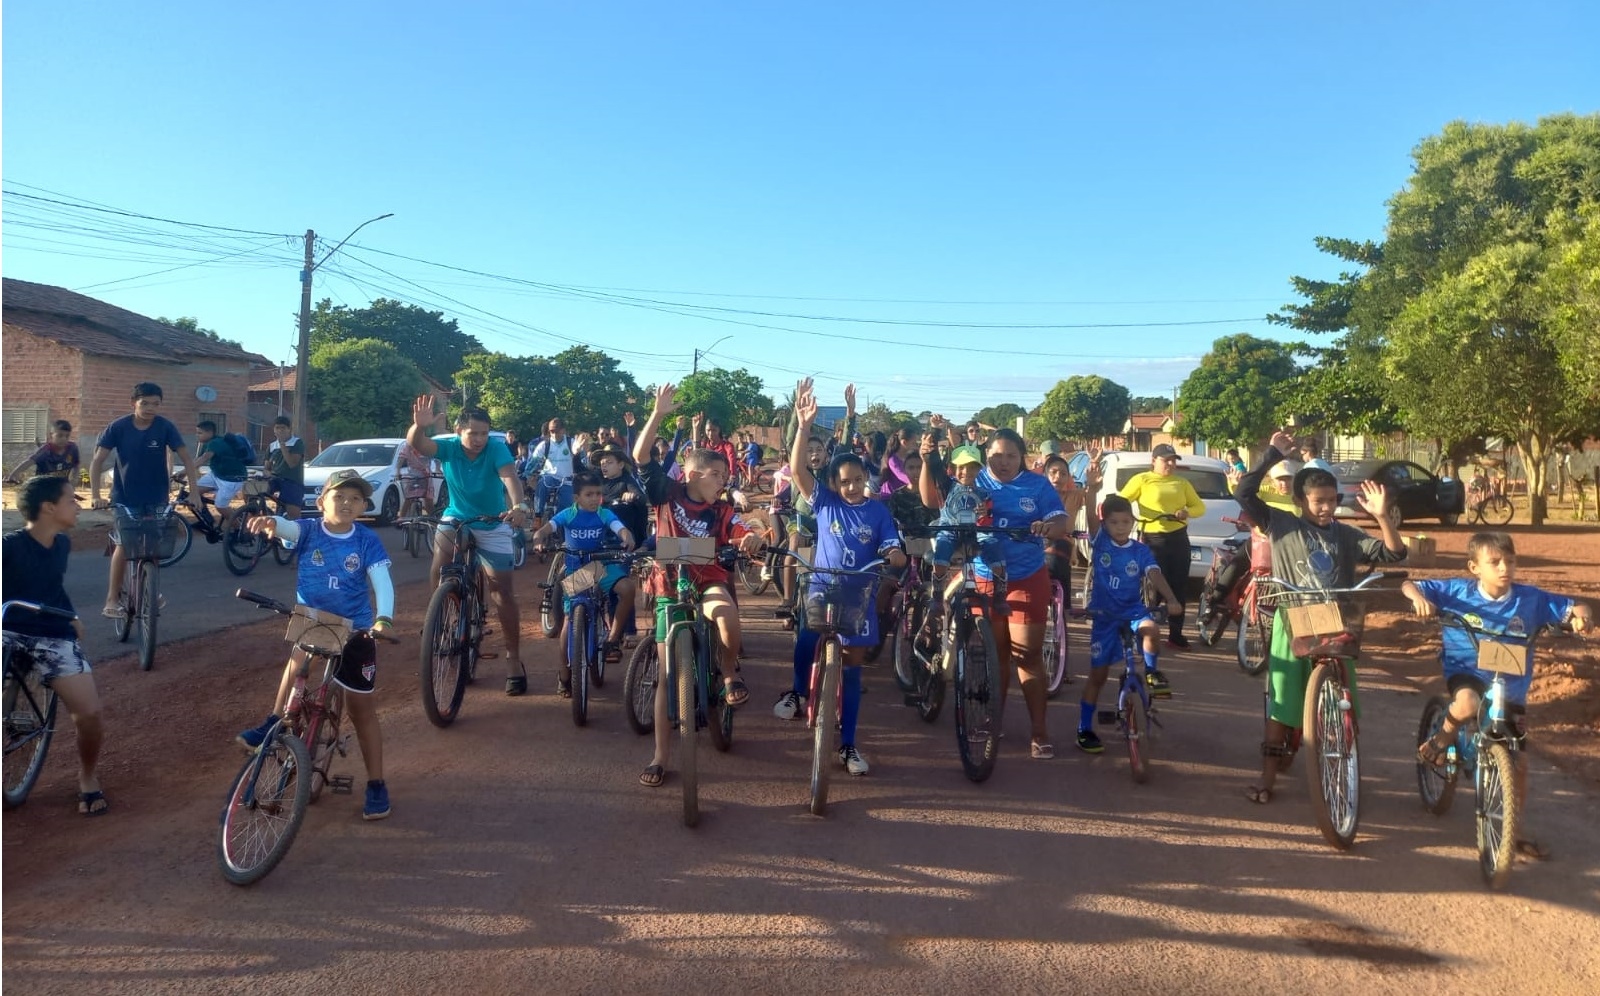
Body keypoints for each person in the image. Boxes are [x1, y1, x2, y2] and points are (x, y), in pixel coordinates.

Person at [1234, 429, 1406, 805]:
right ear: (1299, 500)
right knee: (1282, 703)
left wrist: (1383, 518)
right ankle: (1266, 779)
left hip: (1335, 620)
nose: (1325, 508)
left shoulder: (1346, 535)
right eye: (1317, 501)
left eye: (1331, 501)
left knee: (1343, 695)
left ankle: (1344, 765)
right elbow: (1243, 494)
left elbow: (1395, 554)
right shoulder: (1281, 524)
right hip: (1294, 619)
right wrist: (1271, 456)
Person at [1404, 532, 1591, 859]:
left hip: (1510, 687)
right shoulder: (1458, 592)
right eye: (1495, 562)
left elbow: (1574, 606)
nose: (1505, 568)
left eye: (1510, 561)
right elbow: (1412, 585)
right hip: (1467, 670)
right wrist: (1420, 600)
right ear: (1474, 567)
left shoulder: (1530, 599)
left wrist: (1581, 616)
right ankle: (1445, 734)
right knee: (1467, 704)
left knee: (1518, 765)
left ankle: (1511, 832)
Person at [235, 469, 396, 821]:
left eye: (356, 498)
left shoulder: (366, 540)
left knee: (361, 710)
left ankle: (376, 784)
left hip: (356, 630)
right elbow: (285, 527)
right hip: (314, 621)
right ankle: (274, 719)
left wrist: (383, 618)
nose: (348, 503)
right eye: (339, 496)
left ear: (363, 505)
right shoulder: (308, 530)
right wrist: (270, 523)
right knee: (298, 660)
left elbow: (381, 581)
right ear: (321, 502)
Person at [630, 382, 762, 788]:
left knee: (725, 614)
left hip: (707, 582)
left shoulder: (722, 510)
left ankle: (727, 675)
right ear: (691, 473)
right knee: (668, 676)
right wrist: (657, 415)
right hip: (669, 587)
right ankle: (659, 755)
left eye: (726, 474)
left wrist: (753, 536)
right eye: (717, 473)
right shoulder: (666, 494)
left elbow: (745, 527)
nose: (724, 479)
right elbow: (640, 456)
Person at [772, 379, 905, 777]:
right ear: (834, 484)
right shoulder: (825, 502)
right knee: (807, 635)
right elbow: (796, 468)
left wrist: (895, 555)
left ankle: (848, 744)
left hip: (859, 595)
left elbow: (890, 546)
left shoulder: (878, 512)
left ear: (866, 478)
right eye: (844, 481)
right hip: (823, 588)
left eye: (857, 480)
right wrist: (804, 426)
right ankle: (798, 691)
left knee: (853, 664)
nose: (851, 486)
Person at [920, 423, 1070, 759]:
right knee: (995, 656)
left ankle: (1039, 730)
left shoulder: (1038, 485)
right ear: (986, 455)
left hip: (1027, 577)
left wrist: (1049, 527)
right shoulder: (973, 479)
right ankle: (992, 721)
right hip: (984, 577)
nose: (1003, 462)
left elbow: (1063, 522)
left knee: (1026, 656)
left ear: (1022, 457)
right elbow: (936, 501)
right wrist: (928, 458)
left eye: (1011, 456)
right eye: (997, 456)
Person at [406, 398, 532, 695]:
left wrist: (520, 505)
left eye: (483, 434)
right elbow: (419, 445)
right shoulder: (448, 447)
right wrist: (419, 426)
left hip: (493, 521)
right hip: (458, 516)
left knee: (501, 590)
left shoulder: (497, 449)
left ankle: (513, 659)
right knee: (442, 551)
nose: (478, 439)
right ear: (459, 430)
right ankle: (440, 610)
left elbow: (509, 478)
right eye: (472, 433)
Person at [1, 476, 109, 815]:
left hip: (52, 633)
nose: (78, 505)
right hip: (8, 629)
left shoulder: (62, 544)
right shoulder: (8, 546)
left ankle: (87, 777)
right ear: (49, 507)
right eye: (71, 500)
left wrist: (71, 616)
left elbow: (52, 587)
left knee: (89, 713)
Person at [1077, 475, 1181, 755]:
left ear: (1133, 523)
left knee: (1151, 630)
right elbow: (1090, 514)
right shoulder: (1101, 543)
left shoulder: (1140, 550)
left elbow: (1154, 573)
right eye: (1113, 522)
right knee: (1097, 676)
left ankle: (1150, 673)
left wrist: (1170, 598)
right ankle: (1084, 728)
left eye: (1125, 522)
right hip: (1104, 615)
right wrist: (1091, 490)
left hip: (1133, 610)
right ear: (1105, 523)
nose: (1120, 528)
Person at [89, 383, 201, 618]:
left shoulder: (165, 427)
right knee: (124, 543)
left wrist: (194, 493)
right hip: (124, 497)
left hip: (156, 495)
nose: (150, 408)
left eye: (156, 404)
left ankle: (150, 590)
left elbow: (187, 460)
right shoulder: (118, 427)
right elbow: (98, 461)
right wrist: (96, 496)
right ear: (134, 404)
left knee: (153, 546)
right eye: (145, 403)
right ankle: (111, 599)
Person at [529, 471, 638, 693]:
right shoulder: (567, 515)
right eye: (589, 494)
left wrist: (627, 537)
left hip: (599, 566)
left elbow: (620, 528)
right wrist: (539, 540)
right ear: (576, 497)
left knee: (627, 588)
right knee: (569, 621)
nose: (594, 498)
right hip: (576, 568)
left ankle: (612, 639)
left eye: (598, 494)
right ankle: (564, 674)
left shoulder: (604, 513)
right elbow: (544, 530)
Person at [1118, 443, 1205, 654]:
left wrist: (1186, 512)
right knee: (1153, 587)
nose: (1171, 464)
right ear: (1154, 461)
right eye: (1167, 460)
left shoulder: (1181, 482)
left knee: (1178, 586)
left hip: (1178, 538)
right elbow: (1121, 500)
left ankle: (1176, 635)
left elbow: (1199, 507)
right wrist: (1128, 514)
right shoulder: (1142, 480)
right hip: (1153, 537)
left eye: (1174, 460)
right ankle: (1146, 631)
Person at [193, 420, 249, 533]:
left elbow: (204, 459)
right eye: (197, 432)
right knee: (195, 491)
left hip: (231, 479)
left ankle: (240, 530)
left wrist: (184, 471)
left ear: (210, 433)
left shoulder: (216, 443)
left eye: (200, 433)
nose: (197, 435)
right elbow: (198, 459)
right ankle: (207, 521)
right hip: (217, 475)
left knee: (220, 506)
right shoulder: (208, 443)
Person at [529, 418, 578, 524]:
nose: (554, 433)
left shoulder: (571, 442)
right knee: (541, 485)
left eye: (557, 430)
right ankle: (538, 517)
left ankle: (561, 526)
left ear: (563, 430)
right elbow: (533, 461)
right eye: (552, 431)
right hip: (549, 477)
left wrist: (578, 451)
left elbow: (577, 451)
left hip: (566, 480)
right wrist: (527, 473)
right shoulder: (545, 445)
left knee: (567, 506)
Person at [7, 420, 80, 484]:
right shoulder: (46, 450)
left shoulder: (72, 448)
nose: (64, 439)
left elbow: (76, 465)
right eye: (60, 436)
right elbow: (29, 462)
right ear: (51, 435)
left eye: (67, 436)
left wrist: (73, 480)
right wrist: (14, 474)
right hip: (42, 486)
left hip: (61, 486)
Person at [263, 416, 305, 518]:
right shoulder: (272, 446)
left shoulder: (297, 442)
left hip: (292, 481)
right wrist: (267, 474)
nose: (280, 431)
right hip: (275, 478)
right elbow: (266, 467)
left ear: (289, 429)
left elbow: (292, 463)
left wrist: (282, 444)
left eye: (283, 428)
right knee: (252, 489)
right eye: (277, 428)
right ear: (274, 430)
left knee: (293, 515)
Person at [395, 436, 435, 516]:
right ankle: (401, 519)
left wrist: (437, 469)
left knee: (428, 500)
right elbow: (401, 459)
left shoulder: (427, 445)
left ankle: (432, 521)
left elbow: (436, 458)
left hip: (426, 475)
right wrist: (397, 472)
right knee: (409, 498)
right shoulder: (407, 447)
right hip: (412, 475)